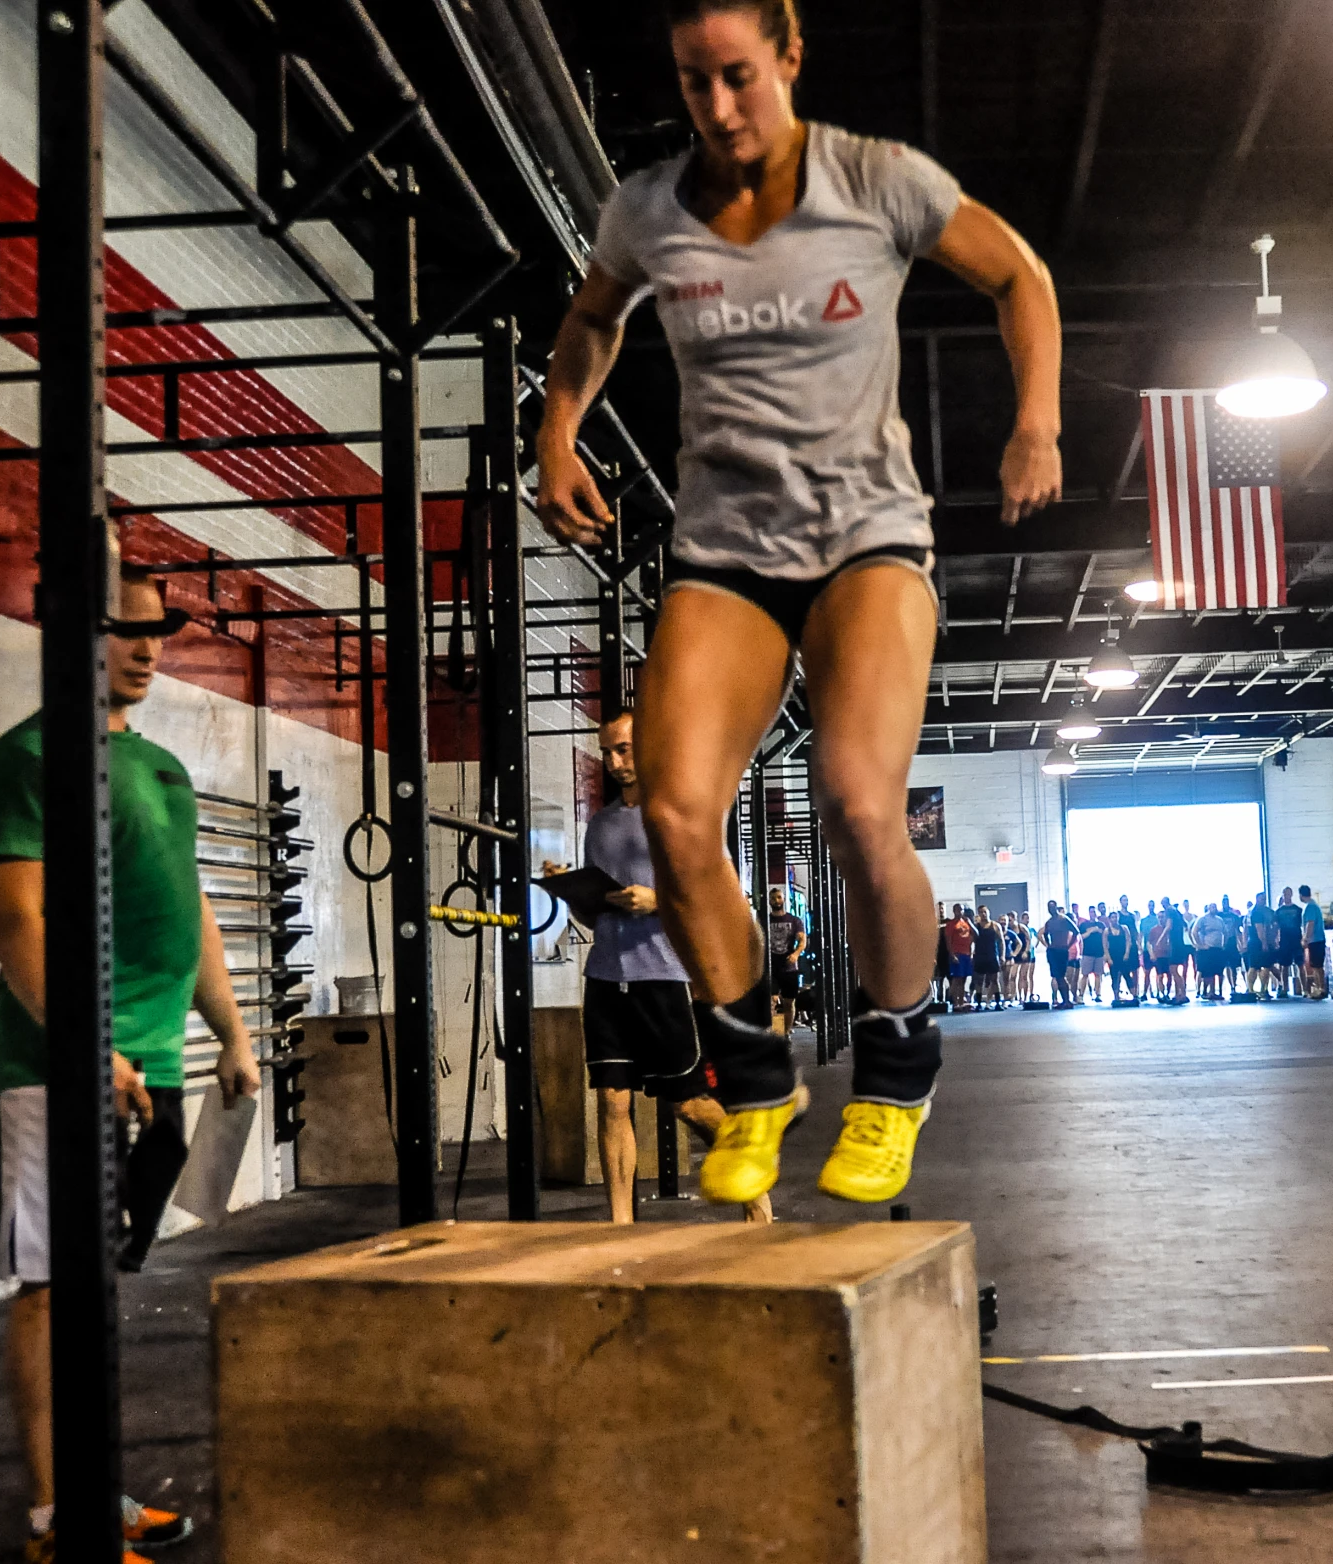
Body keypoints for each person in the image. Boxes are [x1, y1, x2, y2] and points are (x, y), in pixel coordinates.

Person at [536, 0, 1063, 1206]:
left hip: (867, 541)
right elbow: (588, 321)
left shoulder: (876, 181)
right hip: (725, 551)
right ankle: (756, 1076)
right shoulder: (650, 210)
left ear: (789, 57)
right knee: (674, 813)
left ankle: (896, 1065)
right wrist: (556, 429)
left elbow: (1018, 275)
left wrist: (1036, 418)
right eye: (692, 84)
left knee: (859, 802)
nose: (719, 110)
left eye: (738, 77)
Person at [0, 565, 262, 1562]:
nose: (146, 647)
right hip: (60, 1067)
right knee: (53, 1287)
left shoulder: (161, 768)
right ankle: (59, 1520)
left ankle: (98, 1486)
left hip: (154, 1061)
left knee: (100, 1286)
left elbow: (195, 915)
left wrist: (231, 1031)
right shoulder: (25, 761)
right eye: (121, 630)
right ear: (65, 633)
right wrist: (88, 1050)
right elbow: (17, 921)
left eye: (155, 631)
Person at [555, 712, 779, 1226]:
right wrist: (575, 893)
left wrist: (657, 901)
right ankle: (619, 1227)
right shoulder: (601, 825)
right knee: (612, 1100)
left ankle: (757, 1196)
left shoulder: (682, 813)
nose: (614, 762)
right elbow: (594, 913)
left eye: (624, 750)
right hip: (607, 976)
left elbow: (717, 899)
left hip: (665, 977)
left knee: (689, 1104)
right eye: (607, 751)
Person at [765, 887, 808, 1036]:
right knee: (772, 1001)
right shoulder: (765, 920)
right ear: (769, 901)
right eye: (773, 898)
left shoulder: (794, 920)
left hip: (789, 967)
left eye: (778, 897)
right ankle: (773, 1034)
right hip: (771, 967)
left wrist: (796, 953)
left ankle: (787, 1032)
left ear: (783, 899)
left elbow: (802, 940)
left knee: (789, 1003)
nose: (776, 901)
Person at [1042, 900, 1077, 1007]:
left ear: (1056, 907)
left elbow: (1076, 931)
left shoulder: (1064, 919)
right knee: (1057, 976)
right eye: (1049, 907)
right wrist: (1049, 945)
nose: (1051, 909)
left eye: (1052, 907)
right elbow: (1045, 934)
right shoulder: (1049, 922)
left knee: (1061, 976)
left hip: (1062, 950)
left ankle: (1067, 1000)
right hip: (1053, 951)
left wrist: (1068, 945)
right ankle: (1064, 1000)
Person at [970, 905, 1005, 1010]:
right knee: (979, 981)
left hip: (992, 955)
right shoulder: (976, 927)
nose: (983, 914)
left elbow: (1001, 941)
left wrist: (1002, 955)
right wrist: (971, 954)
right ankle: (979, 1004)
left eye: (985, 912)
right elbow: (972, 941)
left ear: (988, 912)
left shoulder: (995, 925)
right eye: (981, 912)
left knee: (995, 980)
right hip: (980, 956)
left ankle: (998, 1003)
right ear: (978, 914)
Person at [942, 905, 975, 1011]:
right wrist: (952, 955)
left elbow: (976, 935)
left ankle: (961, 1002)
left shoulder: (966, 923)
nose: (959, 912)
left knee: (964, 979)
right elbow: (948, 941)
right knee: (957, 979)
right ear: (954, 911)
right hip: (957, 953)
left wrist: (970, 923)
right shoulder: (951, 924)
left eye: (961, 910)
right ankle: (955, 1003)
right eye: (957, 910)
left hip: (966, 954)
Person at [1299, 885, 1327, 1000]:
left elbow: (1310, 924)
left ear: (1301, 895)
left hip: (1316, 940)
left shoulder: (1310, 907)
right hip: (1317, 939)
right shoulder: (1313, 905)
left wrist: (1305, 938)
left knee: (1317, 966)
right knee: (1316, 966)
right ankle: (1319, 988)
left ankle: (1321, 989)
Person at [1275, 888, 1304, 998]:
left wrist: (1304, 939)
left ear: (1291, 894)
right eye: (1284, 894)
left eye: (1288, 893)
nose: (1286, 895)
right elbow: (1276, 927)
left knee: (1300, 965)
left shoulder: (1298, 910)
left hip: (1296, 939)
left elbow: (1303, 924)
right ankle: (1284, 988)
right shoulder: (1278, 911)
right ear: (1282, 895)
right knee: (1284, 965)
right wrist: (1276, 940)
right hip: (1284, 941)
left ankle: (1304, 989)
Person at [1105, 909, 1138, 1003]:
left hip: (1123, 955)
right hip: (1113, 956)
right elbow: (1105, 946)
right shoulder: (1107, 931)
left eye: (1116, 917)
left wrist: (1127, 953)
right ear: (1109, 919)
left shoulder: (1124, 928)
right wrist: (1108, 958)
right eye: (1112, 917)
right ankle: (1116, 996)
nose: (1114, 919)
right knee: (1114, 977)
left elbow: (1128, 941)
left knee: (1127, 975)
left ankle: (1134, 995)